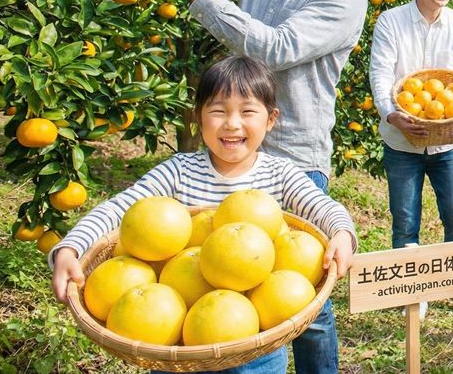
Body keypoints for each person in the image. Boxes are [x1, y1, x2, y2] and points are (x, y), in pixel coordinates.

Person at [96, 0, 372, 372]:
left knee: (304, 302)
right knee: (225, 285)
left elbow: (275, 49)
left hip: (291, 158)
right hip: (231, 150)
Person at [50, 56, 357, 374]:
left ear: (271, 119)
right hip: (177, 343)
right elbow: (121, 208)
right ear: (198, 117)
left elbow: (324, 207)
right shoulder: (179, 171)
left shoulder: (280, 173)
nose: (232, 123)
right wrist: (71, 247)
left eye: (247, 111)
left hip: (255, 345)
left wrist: (342, 234)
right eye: (219, 110)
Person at [368, 0, 453, 316]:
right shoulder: (391, 21)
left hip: (449, 141)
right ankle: (411, 292)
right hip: (402, 140)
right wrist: (390, 113)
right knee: (405, 218)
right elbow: (381, 74)